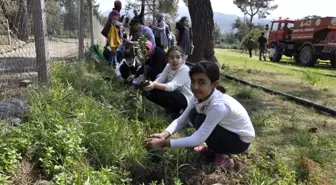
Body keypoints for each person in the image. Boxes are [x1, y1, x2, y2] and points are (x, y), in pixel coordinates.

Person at [145, 62, 255, 169]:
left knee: (201, 119)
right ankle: (214, 149)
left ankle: (223, 155)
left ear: (214, 84)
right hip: (227, 132)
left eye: (201, 82)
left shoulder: (219, 106)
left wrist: (163, 143)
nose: (195, 87)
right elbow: (183, 118)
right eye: (193, 81)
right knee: (194, 114)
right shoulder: (199, 96)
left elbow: (197, 139)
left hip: (239, 141)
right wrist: (164, 134)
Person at [142, 46, 193, 118]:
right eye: (172, 57)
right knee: (151, 91)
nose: (175, 60)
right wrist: (151, 85)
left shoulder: (185, 70)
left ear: (182, 58)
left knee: (159, 90)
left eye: (178, 57)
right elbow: (161, 78)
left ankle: (181, 110)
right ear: (168, 58)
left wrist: (153, 84)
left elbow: (171, 86)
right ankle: (171, 109)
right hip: (173, 94)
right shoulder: (168, 66)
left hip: (184, 98)